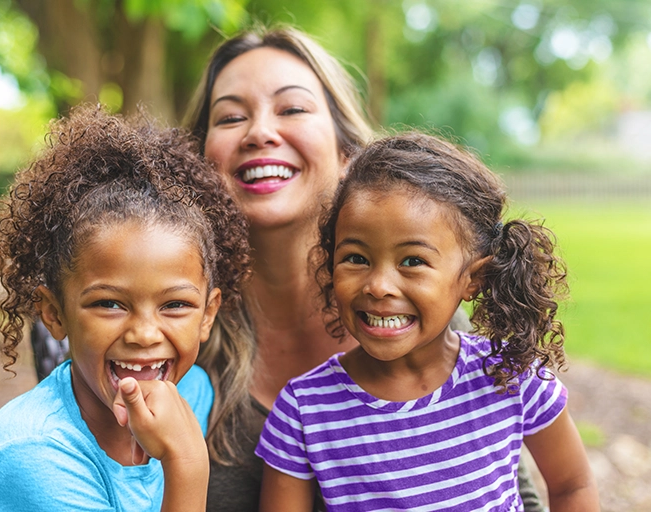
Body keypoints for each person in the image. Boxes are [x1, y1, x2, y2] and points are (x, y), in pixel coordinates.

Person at [185, 25, 546, 511]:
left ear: (347, 152)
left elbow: (511, 489)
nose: (260, 132)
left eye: (292, 108)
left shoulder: (429, 314)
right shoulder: (173, 330)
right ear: (197, 162)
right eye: (230, 117)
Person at [255, 133, 600, 511]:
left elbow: (572, 486)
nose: (379, 285)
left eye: (412, 261)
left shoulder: (509, 375)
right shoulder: (304, 411)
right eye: (356, 258)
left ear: (473, 279)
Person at [0, 105, 251, 511]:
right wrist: (185, 461)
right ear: (54, 314)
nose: (145, 334)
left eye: (176, 304)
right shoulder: (35, 450)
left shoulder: (193, 391)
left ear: (208, 314)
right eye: (110, 303)